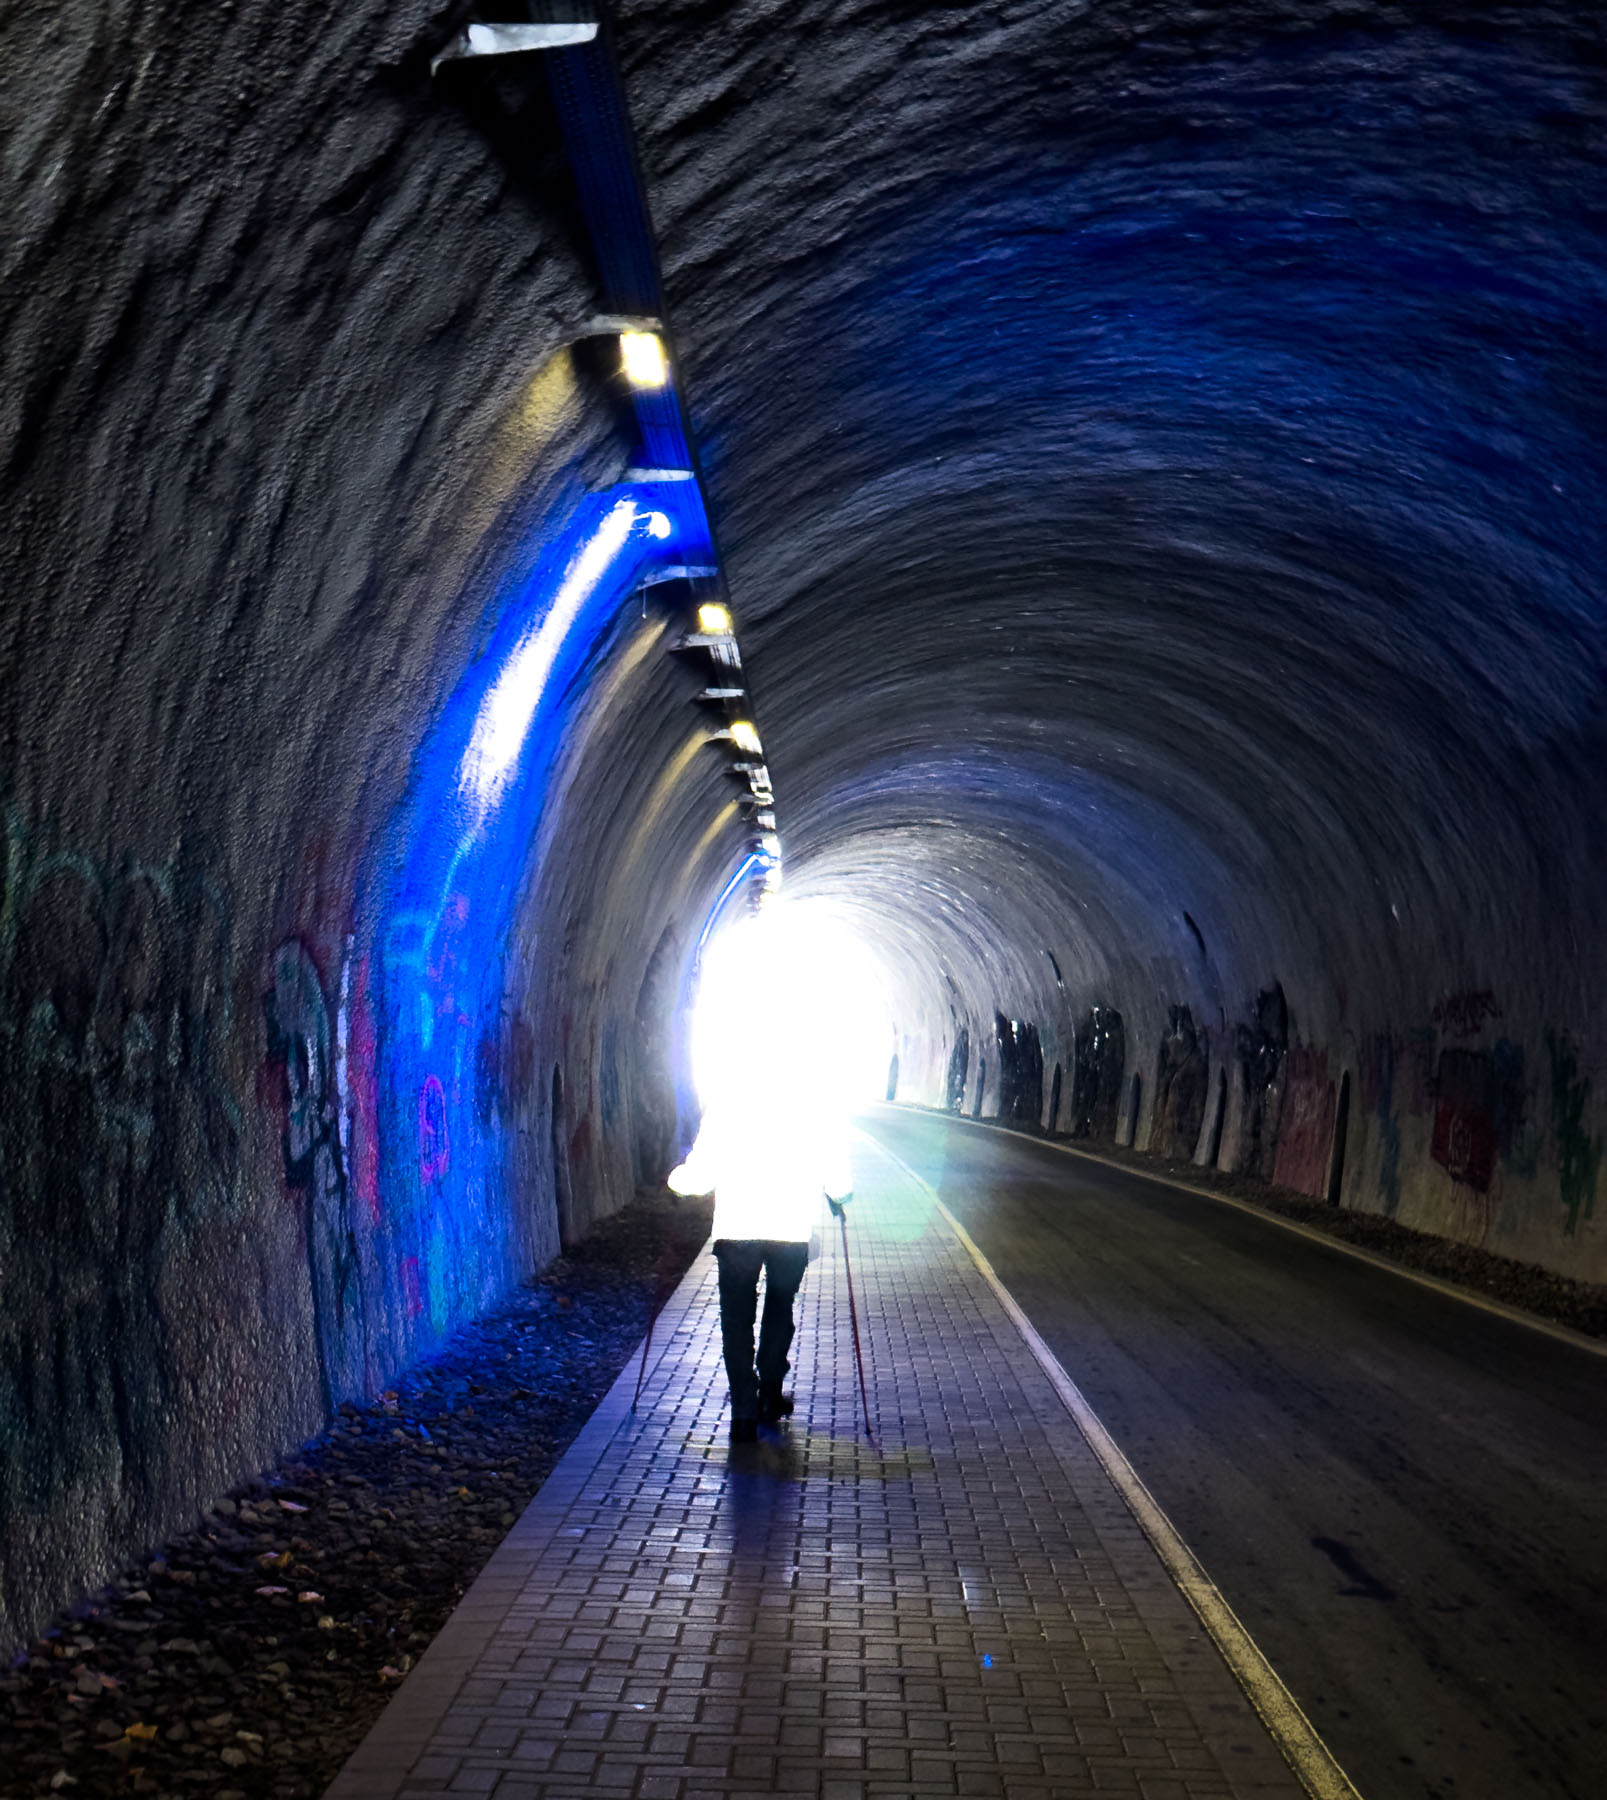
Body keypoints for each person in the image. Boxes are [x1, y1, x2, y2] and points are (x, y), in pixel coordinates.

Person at [669, 1076, 852, 1442]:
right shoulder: (811, 1107)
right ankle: (769, 1393)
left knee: (735, 1320)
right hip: (790, 1232)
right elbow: (839, 1182)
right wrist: (838, 1195)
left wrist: (677, 1181)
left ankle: (743, 1408)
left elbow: (699, 1177)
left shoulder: (727, 1106)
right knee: (780, 1309)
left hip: (737, 1232)